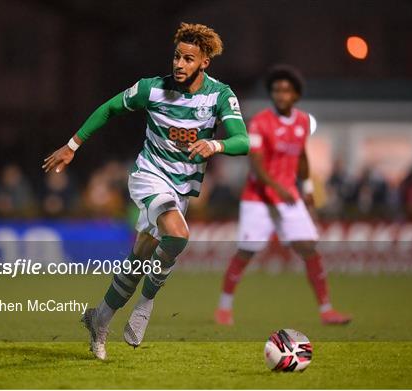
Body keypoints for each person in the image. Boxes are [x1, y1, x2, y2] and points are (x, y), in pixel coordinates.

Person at [42, 22, 249, 360]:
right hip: (149, 176)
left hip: (181, 189)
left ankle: (99, 319)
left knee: (139, 257)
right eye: (177, 57)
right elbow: (109, 108)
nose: (179, 64)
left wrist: (216, 144)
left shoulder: (220, 95)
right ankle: (146, 303)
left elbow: (243, 141)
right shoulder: (151, 89)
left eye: (188, 59)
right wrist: (72, 145)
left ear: (204, 62)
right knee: (179, 235)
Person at [214, 65, 352, 326]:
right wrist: (276, 188)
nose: (280, 95)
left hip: (288, 197)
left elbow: (301, 156)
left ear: (296, 95)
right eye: (276, 90)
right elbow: (254, 163)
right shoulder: (260, 122)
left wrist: (308, 189)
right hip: (258, 198)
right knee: (247, 251)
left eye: (286, 90)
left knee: (309, 248)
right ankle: (224, 308)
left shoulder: (301, 121)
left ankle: (326, 310)